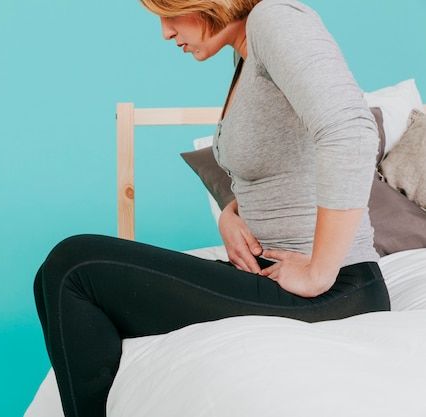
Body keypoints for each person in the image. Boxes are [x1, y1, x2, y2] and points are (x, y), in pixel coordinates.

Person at [33, 0, 391, 416]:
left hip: (336, 290)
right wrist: (231, 213)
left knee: (73, 268)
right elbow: (285, 161)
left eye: (169, 13)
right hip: (273, 275)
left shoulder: (275, 20)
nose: (166, 33)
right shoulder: (245, 54)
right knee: (53, 279)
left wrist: (319, 272)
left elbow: (351, 131)